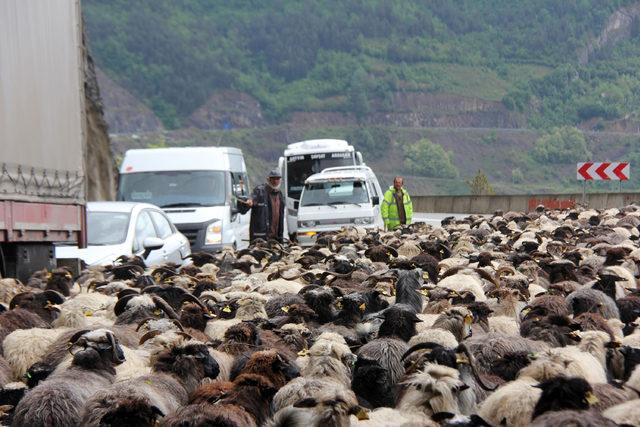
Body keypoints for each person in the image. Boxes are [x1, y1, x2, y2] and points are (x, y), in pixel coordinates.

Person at [238, 169, 285, 243]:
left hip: (276, 239)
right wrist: (249, 202)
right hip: (261, 238)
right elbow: (252, 199)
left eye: (277, 179)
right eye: (273, 179)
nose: (275, 181)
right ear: (268, 179)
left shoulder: (280, 195)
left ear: (280, 180)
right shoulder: (260, 191)